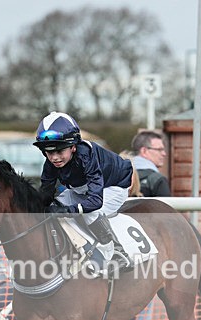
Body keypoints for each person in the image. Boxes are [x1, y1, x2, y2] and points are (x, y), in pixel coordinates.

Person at [34, 111, 134, 273]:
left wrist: (69, 210)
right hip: (83, 189)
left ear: (73, 147)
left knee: (89, 212)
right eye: (49, 152)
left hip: (114, 186)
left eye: (60, 151)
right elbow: (45, 195)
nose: (55, 158)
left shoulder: (86, 156)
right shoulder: (50, 164)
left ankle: (118, 253)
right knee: (55, 206)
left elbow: (95, 201)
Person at [131, 130, 171, 198]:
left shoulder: (120, 176)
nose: (164, 154)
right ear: (144, 151)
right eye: (159, 150)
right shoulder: (157, 180)